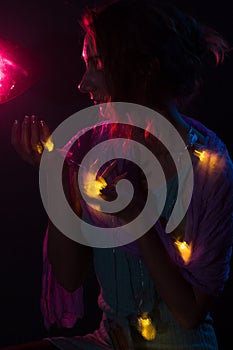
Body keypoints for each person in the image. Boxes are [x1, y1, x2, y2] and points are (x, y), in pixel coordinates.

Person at [8, 0, 233, 349]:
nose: (83, 83)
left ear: (144, 69)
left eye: (96, 63)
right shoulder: (90, 151)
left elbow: (190, 313)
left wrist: (138, 218)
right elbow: (68, 277)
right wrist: (54, 176)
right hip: (110, 340)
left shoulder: (207, 166)